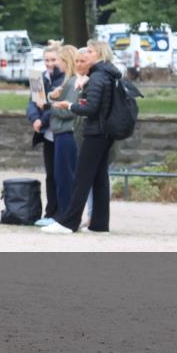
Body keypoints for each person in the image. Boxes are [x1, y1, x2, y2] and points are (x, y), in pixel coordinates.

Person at [43, 40, 121, 234]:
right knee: (99, 178)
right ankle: (99, 224)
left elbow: (91, 108)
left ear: (99, 55)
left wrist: (69, 106)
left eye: (91, 51)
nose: (87, 53)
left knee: (82, 177)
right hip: (105, 132)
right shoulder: (107, 75)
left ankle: (69, 222)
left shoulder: (98, 77)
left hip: (95, 131)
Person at [27, 43, 65, 225]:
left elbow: (57, 105)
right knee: (50, 174)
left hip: (60, 131)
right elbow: (33, 102)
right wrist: (35, 118)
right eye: (47, 60)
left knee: (61, 174)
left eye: (53, 59)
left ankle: (61, 213)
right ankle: (50, 213)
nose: (50, 63)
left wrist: (43, 119)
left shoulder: (65, 78)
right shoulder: (38, 78)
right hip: (47, 135)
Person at [46, 45, 79, 226]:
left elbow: (69, 110)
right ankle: (62, 214)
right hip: (61, 133)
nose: (55, 63)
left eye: (58, 59)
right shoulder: (68, 82)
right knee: (61, 176)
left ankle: (66, 216)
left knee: (66, 177)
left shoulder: (73, 82)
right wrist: (54, 99)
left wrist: (52, 105)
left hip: (67, 133)